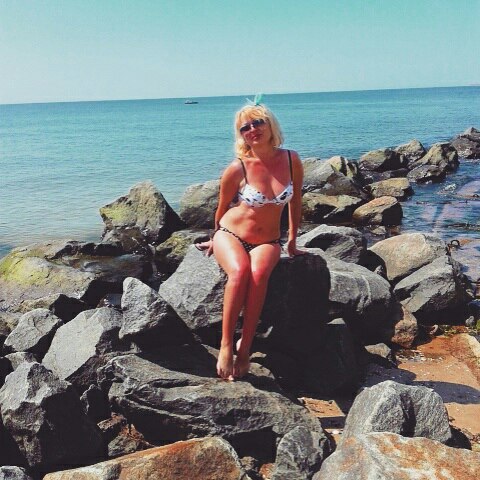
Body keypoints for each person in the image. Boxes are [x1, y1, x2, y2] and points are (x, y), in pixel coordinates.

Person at [196, 101, 305, 380]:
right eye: (245, 127)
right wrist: (215, 239)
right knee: (240, 272)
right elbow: (222, 207)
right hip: (231, 234)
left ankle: (245, 348)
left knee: (258, 276)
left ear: (271, 125)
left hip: (268, 240)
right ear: (241, 135)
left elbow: (295, 203)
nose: (252, 129)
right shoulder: (238, 167)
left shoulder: (291, 160)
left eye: (258, 122)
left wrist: (292, 240)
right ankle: (226, 345)